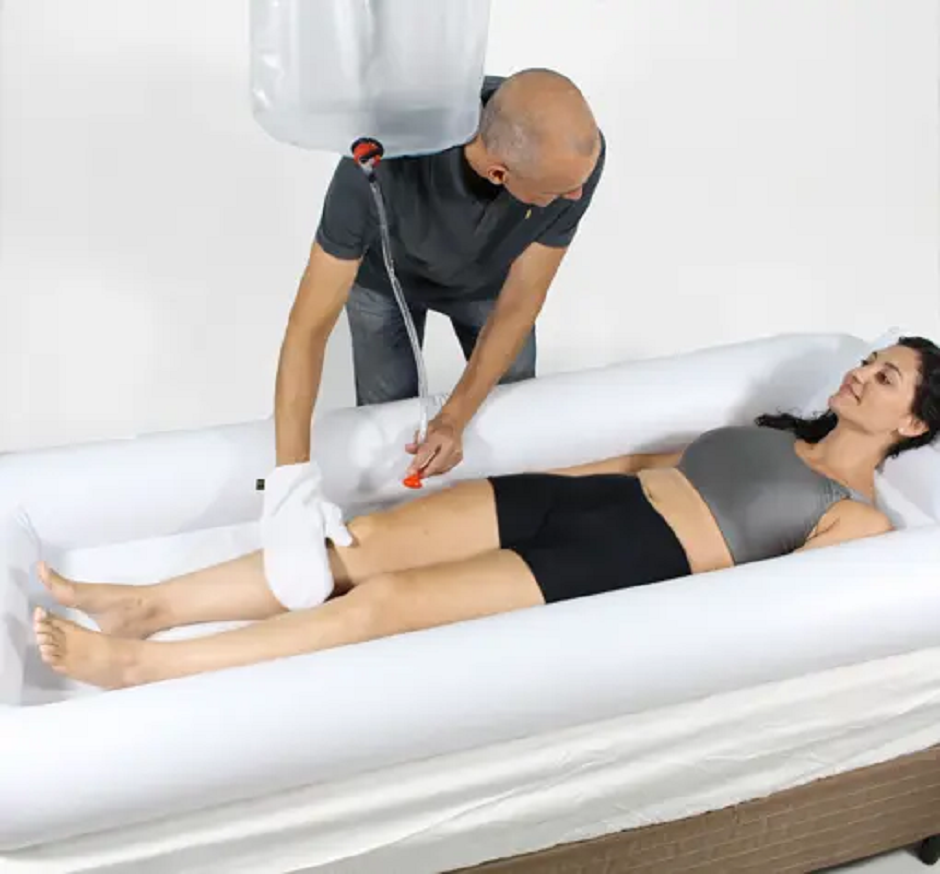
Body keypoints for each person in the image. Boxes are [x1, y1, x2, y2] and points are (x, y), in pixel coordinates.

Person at [33, 337, 940, 690]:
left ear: (912, 425)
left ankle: (145, 666)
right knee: (361, 543)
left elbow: (772, 612)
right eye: (869, 360)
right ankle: (146, 605)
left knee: (384, 606)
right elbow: (640, 463)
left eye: (887, 377)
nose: (862, 373)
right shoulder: (773, 433)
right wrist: (541, 484)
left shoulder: (856, 519)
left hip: (634, 556)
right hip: (579, 499)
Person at [275, 68, 605, 482]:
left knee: (515, 414)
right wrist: (289, 482)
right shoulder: (377, 168)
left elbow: (521, 302)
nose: (576, 195)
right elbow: (307, 330)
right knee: (388, 424)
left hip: (487, 282)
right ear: (498, 174)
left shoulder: (574, 166)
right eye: (558, 192)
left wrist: (453, 418)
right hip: (384, 283)